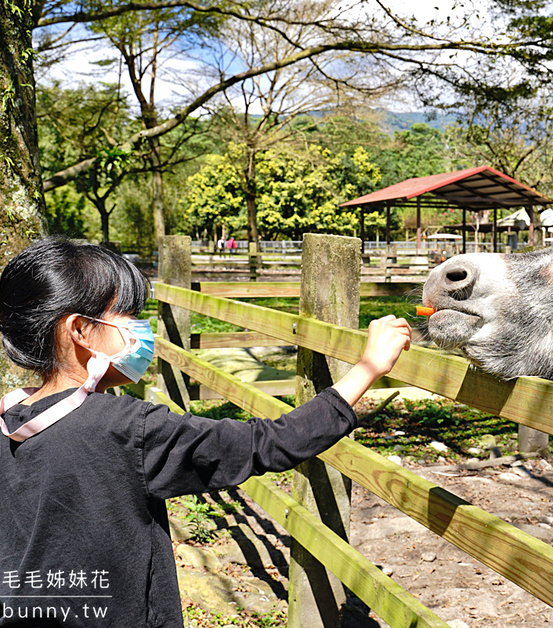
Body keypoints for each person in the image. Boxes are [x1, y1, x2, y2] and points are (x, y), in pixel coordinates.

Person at [0, 238, 413, 627]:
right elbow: (268, 443)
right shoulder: (127, 429)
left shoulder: (10, 419)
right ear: (80, 331)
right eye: (126, 316)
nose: (140, 329)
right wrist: (368, 368)